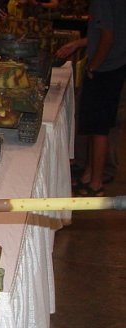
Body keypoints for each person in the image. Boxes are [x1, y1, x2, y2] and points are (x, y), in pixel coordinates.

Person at [56, 0, 126, 196]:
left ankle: (96, 183)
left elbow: (108, 37)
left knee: (99, 128)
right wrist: (79, 43)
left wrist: (93, 66)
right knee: (95, 126)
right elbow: (106, 33)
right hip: (115, 66)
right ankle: (89, 175)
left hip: (106, 69)